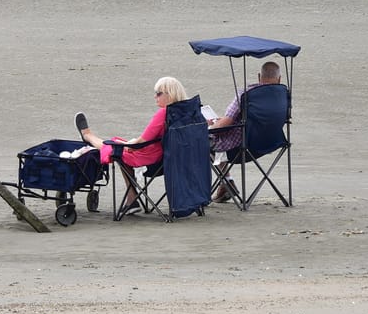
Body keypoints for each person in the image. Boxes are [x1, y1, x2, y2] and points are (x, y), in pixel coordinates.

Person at [77, 76, 188, 220]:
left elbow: (142, 140)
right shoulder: (187, 112)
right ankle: (132, 199)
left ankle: (87, 136)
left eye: (158, 93)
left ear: (170, 94)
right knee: (119, 146)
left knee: (113, 148)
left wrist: (131, 146)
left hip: (155, 159)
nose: (155, 96)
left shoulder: (164, 113)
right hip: (176, 157)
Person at [208, 60, 287, 202]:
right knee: (217, 134)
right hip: (272, 143)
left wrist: (209, 128)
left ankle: (226, 182)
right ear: (279, 78)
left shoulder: (246, 93)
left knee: (206, 140)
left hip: (242, 148)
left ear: (259, 76)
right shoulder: (283, 95)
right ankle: (226, 184)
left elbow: (226, 123)